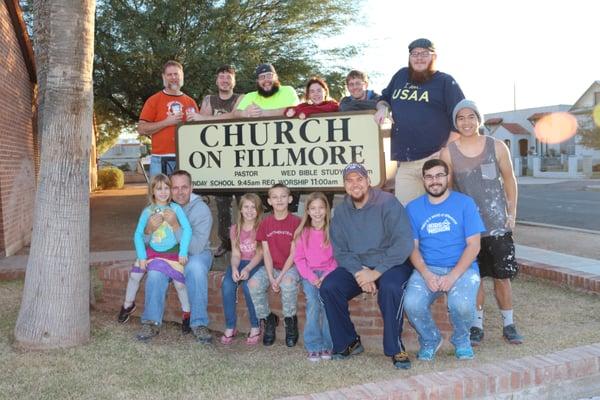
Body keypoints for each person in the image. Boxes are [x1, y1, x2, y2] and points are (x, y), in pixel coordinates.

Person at [440, 99, 523, 346]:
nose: (466, 122)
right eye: (461, 118)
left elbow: (510, 181)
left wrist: (512, 213)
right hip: (469, 228)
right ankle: (477, 325)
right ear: (456, 122)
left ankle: (509, 323)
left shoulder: (496, 147)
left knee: (501, 276)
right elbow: (449, 189)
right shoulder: (449, 152)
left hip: (497, 224)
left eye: (471, 117)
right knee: (474, 277)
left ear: (479, 119)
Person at [320, 163, 414, 369]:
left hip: (392, 264)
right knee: (330, 287)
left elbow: (403, 243)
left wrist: (376, 272)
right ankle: (348, 342)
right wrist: (360, 272)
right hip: (360, 266)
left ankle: (395, 348)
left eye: (359, 179)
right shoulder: (341, 212)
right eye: (349, 180)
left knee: (390, 288)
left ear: (368, 181)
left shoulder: (388, 203)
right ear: (344, 185)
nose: (355, 184)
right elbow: (341, 251)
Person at [404, 159, 484, 361]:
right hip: (429, 267)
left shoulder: (465, 203)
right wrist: (426, 273)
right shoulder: (413, 208)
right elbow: (412, 248)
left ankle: (461, 340)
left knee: (463, 305)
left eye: (439, 175)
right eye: (429, 177)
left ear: (448, 177)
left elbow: (474, 245)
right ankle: (431, 339)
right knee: (411, 303)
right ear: (423, 180)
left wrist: (453, 275)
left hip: (462, 268)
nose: (435, 181)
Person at [374, 38, 465, 206]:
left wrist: (445, 153)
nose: (419, 58)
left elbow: (460, 117)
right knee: (406, 214)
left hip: (435, 158)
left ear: (434, 57)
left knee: (440, 210)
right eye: (414, 54)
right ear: (409, 57)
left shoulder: (445, 81)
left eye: (424, 54)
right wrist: (382, 108)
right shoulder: (401, 76)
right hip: (406, 163)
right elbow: (384, 99)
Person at [136, 170, 214, 343]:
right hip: (168, 255)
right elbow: (150, 242)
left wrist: (175, 225)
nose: (179, 192)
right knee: (155, 273)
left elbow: (195, 247)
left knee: (195, 269)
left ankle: (199, 323)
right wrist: (149, 230)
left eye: (184, 187)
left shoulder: (201, 210)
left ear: (191, 187)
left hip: (196, 254)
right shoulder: (159, 206)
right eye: (175, 187)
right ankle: (150, 322)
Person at [118, 174, 192, 332]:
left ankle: (187, 312)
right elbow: (138, 234)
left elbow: (187, 230)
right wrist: (142, 257)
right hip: (151, 253)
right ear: (152, 191)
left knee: (180, 284)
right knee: (134, 275)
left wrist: (183, 251)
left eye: (166, 188)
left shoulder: (176, 209)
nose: (163, 192)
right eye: (159, 188)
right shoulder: (148, 211)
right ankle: (127, 304)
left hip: (172, 253)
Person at [189, 65, 245, 258]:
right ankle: (226, 242)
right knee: (222, 206)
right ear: (216, 81)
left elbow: (237, 116)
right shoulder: (208, 99)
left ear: (233, 81)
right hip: (217, 161)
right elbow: (199, 121)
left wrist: (210, 118)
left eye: (228, 77)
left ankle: (247, 243)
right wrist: (209, 118)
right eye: (221, 77)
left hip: (239, 158)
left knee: (245, 203)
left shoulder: (241, 98)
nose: (224, 80)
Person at [247, 183, 301, 347]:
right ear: (269, 201)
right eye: (275, 197)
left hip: (290, 267)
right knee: (253, 283)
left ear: (290, 199)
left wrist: (281, 276)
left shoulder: (296, 222)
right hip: (271, 267)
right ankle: (269, 319)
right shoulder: (265, 223)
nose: (279, 200)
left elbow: (293, 254)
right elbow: (266, 252)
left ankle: (290, 322)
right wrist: (271, 277)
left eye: (283, 196)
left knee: (288, 283)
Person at [293, 192, 336, 362]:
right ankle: (313, 345)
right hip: (309, 274)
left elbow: (337, 258)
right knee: (313, 304)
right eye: (313, 208)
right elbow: (299, 258)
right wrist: (311, 277)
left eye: (321, 208)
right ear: (308, 211)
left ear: (327, 209)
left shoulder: (332, 231)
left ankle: (327, 344)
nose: (317, 212)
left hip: (329, 274)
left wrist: (325, 276)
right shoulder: (303, 232)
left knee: (327, 305)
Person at [137, 60, 199, 177]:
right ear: (163, 77)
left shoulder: (191, 102)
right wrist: (167, 122)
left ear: (182, 76)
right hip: (160, 159)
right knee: (160, 195)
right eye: (169, 74)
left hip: (187, 159)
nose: (173, 77)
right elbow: (141, 129)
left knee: (184, 195)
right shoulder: (154, 100)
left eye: (176, 74)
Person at [220, 193, 264, 346]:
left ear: (258, 210)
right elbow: (236, 253)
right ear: (240, 209)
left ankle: (255, 325)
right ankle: (230, 326)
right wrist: (233, 268)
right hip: (239, 262)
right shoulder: (235, 229)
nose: (250, 210)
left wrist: (248, 268)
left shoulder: (260, 228)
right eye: (246, 207)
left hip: (256, 263)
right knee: (227, 285)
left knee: (247, 286)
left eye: (253, 207)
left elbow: (260, 253)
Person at [235, 63, 299, 118]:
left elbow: (294, 110)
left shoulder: (288, 90)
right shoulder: (250, 96)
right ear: (257, 81)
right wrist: (245, 113)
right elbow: (236, 113)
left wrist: (263, 113)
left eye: (269, 76)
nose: (266, 80)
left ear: (276, 77)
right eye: (262, 77)